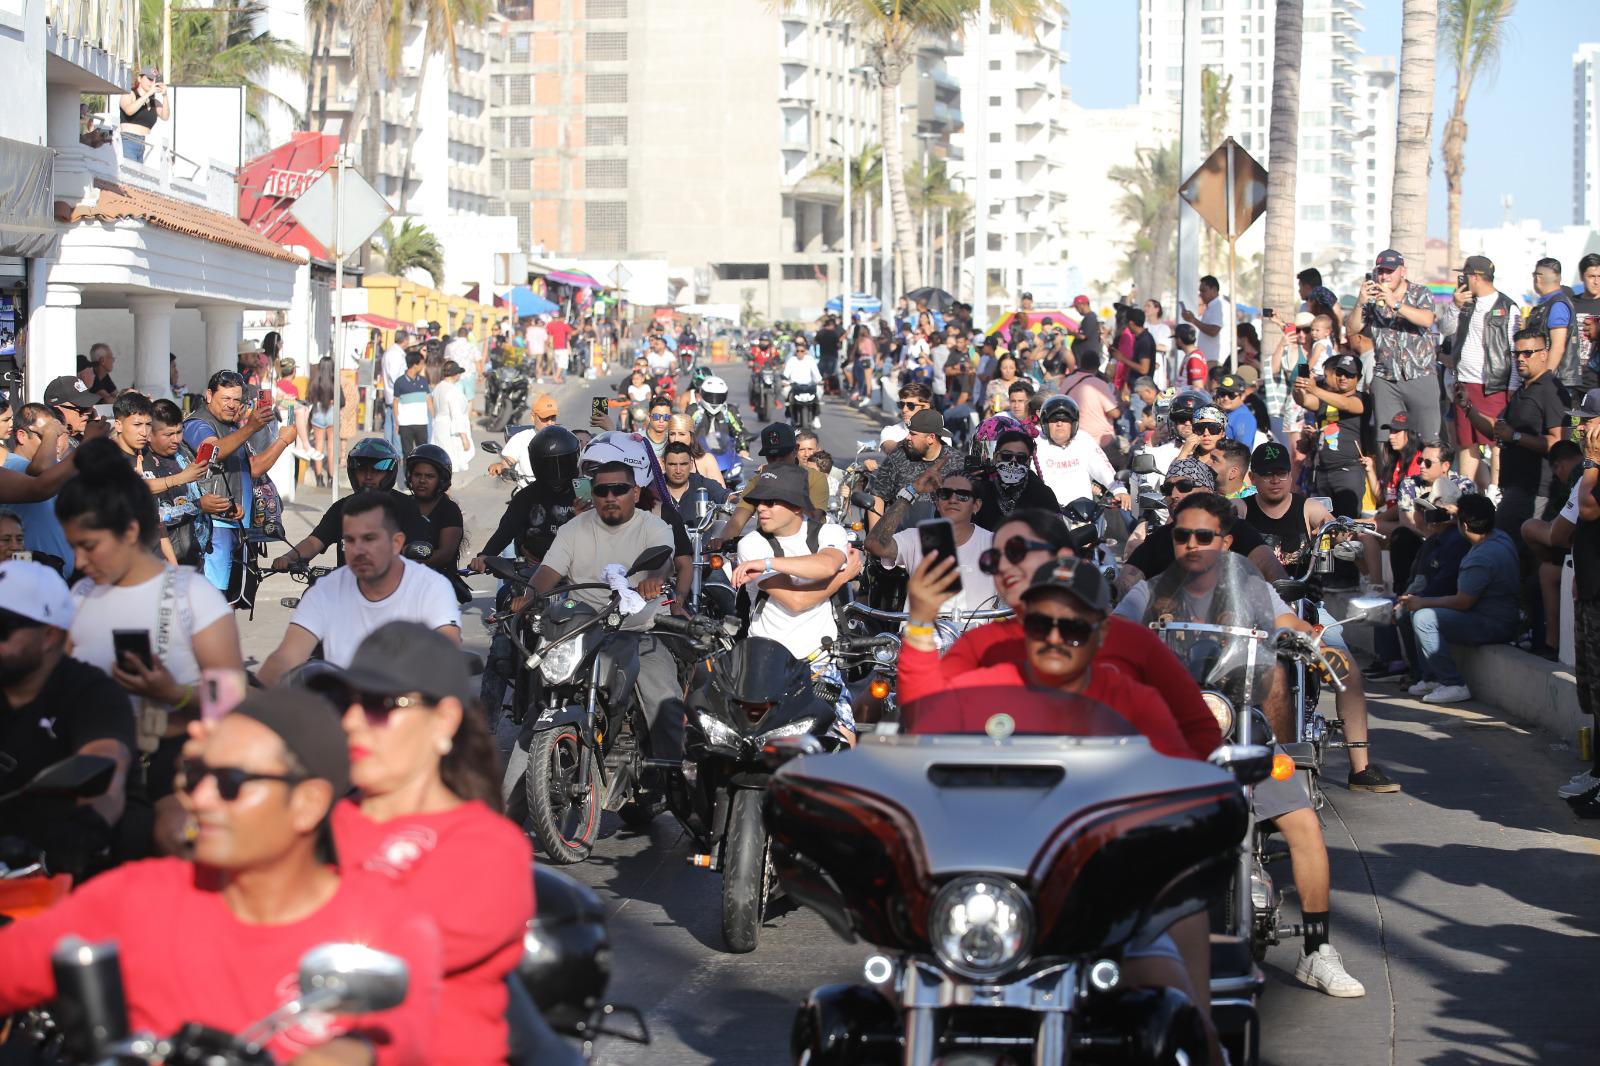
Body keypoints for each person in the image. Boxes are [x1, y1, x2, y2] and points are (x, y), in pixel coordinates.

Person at [0, 689, 443, 1063]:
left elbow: (388, 1043)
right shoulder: (136, 896)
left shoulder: (386, 925)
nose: (202, 799)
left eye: (231, 781)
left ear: (307, 803)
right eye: (195, 776)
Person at [1117, 492, 1365, 998]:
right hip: (1173, 738)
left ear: (1226, 541)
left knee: (1303, 825)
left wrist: (1315, 641)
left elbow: (1287, 622)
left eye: (1204, 536)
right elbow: (1111, 633)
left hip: (1242, 728)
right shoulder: (1152, 594)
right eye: (1181, 536)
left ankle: (1317, 951)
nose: (1191, 545)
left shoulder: (1250, 590)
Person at [300, 622, 533, 1065]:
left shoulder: (489, 847)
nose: (350, 721)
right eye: (345, 702)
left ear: (443, 720)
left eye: (378, 704)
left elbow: (380, 954)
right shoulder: (316, 817)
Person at [56, 438, 243, 847]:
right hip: (96, 769)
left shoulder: (193, 595)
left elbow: (232, 697)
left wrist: (172, 694)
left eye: (88, 547)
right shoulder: (79, 597)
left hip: (175, 769)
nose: (80, 562)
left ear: (129, 531)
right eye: (73, 548)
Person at [1241, 441, 1398, 792]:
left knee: (1347, 674)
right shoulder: (1241, 510)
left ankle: (1361, 767)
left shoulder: (1307, 507)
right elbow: (1221, 520)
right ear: (1253, 477)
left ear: (1291, 474)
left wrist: (1338, 531)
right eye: (1265, 475)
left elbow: (1327, 523)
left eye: (1281, 473)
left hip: (1305, 609)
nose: (1274, 481)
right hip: (1251, 610)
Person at [517, 453, 680, 758]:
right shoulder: (574, 529)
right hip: (580, 632)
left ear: (635, 493)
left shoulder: (653, 527)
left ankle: (670, 777)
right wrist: (527, 600)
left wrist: (654, 580)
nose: (609, 497)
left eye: (619, 489)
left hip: (640, 629)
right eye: (601, 490)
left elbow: (665, 562)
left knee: (664, 699)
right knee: (540, 701)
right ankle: (514, 795)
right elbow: (547, 573)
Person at [0, 558, 134, 875]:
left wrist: (84, 828)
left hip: (47, 862)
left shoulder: (94, 694)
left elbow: (107, 764)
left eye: (2, 628)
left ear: (49, 636)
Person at [258, 492, 461, 685]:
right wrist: (255, 693)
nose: (359, 550)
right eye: (350, 541)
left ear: (397, 542)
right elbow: (287, 656)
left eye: (370, 539)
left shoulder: (432, 588)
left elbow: (447, 652)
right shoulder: (325, 590)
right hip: (340, 704)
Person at [729, 465, 862, 738]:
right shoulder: (750, 544)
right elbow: (797, 601)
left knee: (842, 740)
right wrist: (842, 578)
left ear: (797, 507)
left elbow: (826, 565)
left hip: (819, 665)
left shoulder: (828, 533)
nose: (760, 509)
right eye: (757, 502)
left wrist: (768, 563)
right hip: (764, 665)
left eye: (771, 502)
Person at [1399, 493, 1522, 704]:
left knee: (1423, 617)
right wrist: (1458, 512)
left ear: (1464, 526)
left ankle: (1453, 683)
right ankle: (1431, 677)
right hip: (1502, 617)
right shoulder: (1500, 536)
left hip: (1493, 624)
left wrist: (1423, 602)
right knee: (1419, 611)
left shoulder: (1479, 558)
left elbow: (1462, 602)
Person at [1459, 328, 1570, 553]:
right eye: (1516, 353)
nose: (1520, 358)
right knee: (1512, 551)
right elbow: (1498, 431)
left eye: (1527, 353)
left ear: (1543, 354)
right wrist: (1468, 408)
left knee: (1500, 547)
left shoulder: (1550, 390)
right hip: (1514, 487)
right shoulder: (1524, 390)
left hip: (1535, 491)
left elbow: (1558, 444)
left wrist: (1516, 437)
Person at [182, 370, 294, 594]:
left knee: (232, 597)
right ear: (209, 396)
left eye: (236, 399)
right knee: (213, 597)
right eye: (225, 399)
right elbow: (212, 451)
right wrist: (250, 427)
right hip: (215, 524)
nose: (232, 405)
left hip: (238, 525)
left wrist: (282, 441)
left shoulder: (232, 427)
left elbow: (254, 468)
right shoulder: (198, 423)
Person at [1120, 459, 1288, 593]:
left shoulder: (1236, 529)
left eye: (1184, 486)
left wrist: (1283, 594)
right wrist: (1119, 591)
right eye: (1167, 488)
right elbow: (1129, 575)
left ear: (1208, 491)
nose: (1174, 494)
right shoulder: (1161, 537)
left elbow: (1268, 565)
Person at [272, 437, 434, 572]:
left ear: (389, 472)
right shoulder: (341, 508)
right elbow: (314, 542)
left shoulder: (405, 507)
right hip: (346, 591)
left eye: (377, 470)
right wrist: (288, 557)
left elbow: (418, 551)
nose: (368, 476)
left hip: (392, 592)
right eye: (362, 470)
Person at [866, 465, 996, 614]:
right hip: (919, 635)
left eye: (962, 495)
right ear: (937, 502)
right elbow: (874, 544)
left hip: (975, 635)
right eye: (945, 494)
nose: (953, 499)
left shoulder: (994, 543)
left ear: (976, 506)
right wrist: (912, 491)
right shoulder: (916, 537)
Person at [1438, 254, 1518, 488]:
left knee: (1497, 441)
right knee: (1466, 442)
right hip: (1465, 381)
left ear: (1477, 277)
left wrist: (1512, 386)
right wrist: (1455, 306)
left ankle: (1495, 489)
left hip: (1495, 383)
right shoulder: (1464, 303)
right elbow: (1445, 328)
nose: (1462, 279)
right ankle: (1465, 488)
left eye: (1466, 275)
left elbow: (1513, 350)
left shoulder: (1507, 306)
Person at [1347, 249, 1440, 442]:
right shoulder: (1372, 299)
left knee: (1428, 439)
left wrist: (1395, 303)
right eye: (1381, 271)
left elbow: (1427, 319)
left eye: (1389, 271)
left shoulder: (1420, 292)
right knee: (1386, 441)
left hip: (1419, 374)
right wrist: (1361, 301)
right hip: (1386, 377)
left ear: (1402, 272)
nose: (1384, 276)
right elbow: (1352, 329)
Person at [866, 408, 967, 534]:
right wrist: (874, 537)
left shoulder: (956, 463)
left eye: (913, 434)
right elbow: (878, 496)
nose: (907, 437)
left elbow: (966, 504)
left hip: (941, 539)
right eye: (909, 432)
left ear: (931, 437)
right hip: (900, 541)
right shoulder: (897, 458)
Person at [1294, 351, 1367, 518]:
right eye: (1340, 373)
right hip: (1322, 472)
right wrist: (1298, 387)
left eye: (1349, 375)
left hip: (1347, 471)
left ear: (1358, 378)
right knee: (1323, 525)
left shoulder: (1362, 399)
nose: (1343, 378)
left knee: (1347, 524)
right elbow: (1303, 401)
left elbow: (1347, 404)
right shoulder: (1325, 400)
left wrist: (1315, 389)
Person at [5, 404, 76, 563]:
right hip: (25, 572)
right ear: (22, 436)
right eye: (46, 436)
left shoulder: (56, 466)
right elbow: (41, 469)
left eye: (57, 435)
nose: (54, 443)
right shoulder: (12, 467)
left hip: (59, 577)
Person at [1032, 395, 1118, 513]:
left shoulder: (1084, 440)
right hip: (1047, 516)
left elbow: (1104, 469)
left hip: (1084, 517)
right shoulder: (1034, 442)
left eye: (1065, 420)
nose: (1059, 424)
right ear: (1044, 424)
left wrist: (1120, 491)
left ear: (1074, 424)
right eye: (1054, 420)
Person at [1528, 256, 1579, 387]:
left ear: (1538, 278)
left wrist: (1543, 380)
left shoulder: (1557, 305)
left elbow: (1557, 347)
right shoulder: (1549, 303)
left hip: (1556, 383)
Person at [1058, 351, 1121, 452]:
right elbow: (1114, 413)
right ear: (1098, 366)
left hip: (1073, 439)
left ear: (1080, 364)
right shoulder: (1099, 384)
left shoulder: (1067, 381)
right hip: (1099, 441)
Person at [429, 359, 475, 476]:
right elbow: (456, 415)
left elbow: (432, 403)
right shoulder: (452, 391)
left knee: (438, 460)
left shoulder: (438, 387)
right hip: (449, 430)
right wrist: (464, 437)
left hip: (438, 426)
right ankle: (445, 491)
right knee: (448, 462)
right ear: (455, 375)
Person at [117, 65, 168, 162]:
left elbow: (165, 116)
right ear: (140, 78)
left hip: (143, 143)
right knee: (130, 174)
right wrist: (148, 94)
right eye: (149, 79)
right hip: (128, 139)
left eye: (154, 80)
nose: (152, 83)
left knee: (137, 176)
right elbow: (129, 110)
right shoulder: (129, 94)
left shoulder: (154, 102)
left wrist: (165, 95)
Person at [663, 440, 728, 511]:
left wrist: (735, 500)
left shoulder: (703, 484)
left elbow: (726, 496)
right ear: (664, 464)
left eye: (683, 464)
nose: (678, 471)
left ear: (691, 464)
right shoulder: (654, 488)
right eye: (672, 464)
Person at [1181, 275, 1229, 367]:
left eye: (1203, 291)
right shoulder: (1211, 306)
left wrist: (1193, 320)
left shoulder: (1219, 305)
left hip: (1215, 359)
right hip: (1208, 358)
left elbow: (1213, 331)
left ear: (1214, 290)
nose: (1200, 294)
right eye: (1200, 291)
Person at [665, 412, 725, 486]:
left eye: (682, 434)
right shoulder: (662, 462)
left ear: (691, 436)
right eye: (672, 434)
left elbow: (722, 495)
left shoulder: (706, 460)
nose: (676, 439)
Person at [1572, 253, 1600, 391]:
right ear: (1582, 277)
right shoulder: (1570, 304)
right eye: (1591, 276)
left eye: (1599, 277)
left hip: (1596, 383)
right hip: (1571, 381)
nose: (1596, 282)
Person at [1070, 295, 1102, 360]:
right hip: (1084, 356)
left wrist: (1071, 332)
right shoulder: (1088, 317)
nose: (1076, 309)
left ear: (1083, 304)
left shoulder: (1090, 317)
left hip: (1087, 357)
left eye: (1077, 306)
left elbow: (1082, 336)